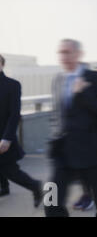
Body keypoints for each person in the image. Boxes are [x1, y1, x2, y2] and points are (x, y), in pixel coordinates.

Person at [44, 39, 97, 217]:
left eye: (67, 52)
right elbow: (57, 113)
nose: (63, 57)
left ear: (78, 54)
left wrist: (84, 93)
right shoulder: (58, 79)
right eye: (61, 52)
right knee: (50, 202)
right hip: (63, 153)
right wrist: (54, 135)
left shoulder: (95, 79)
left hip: (91, 152)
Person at [0, 54, 42, 207]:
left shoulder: (12, 85)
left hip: (3, 136)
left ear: (2, 64)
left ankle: (36, 186)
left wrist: (7, 138)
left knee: (10, 170)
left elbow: (14, 114)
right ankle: (4, 188)